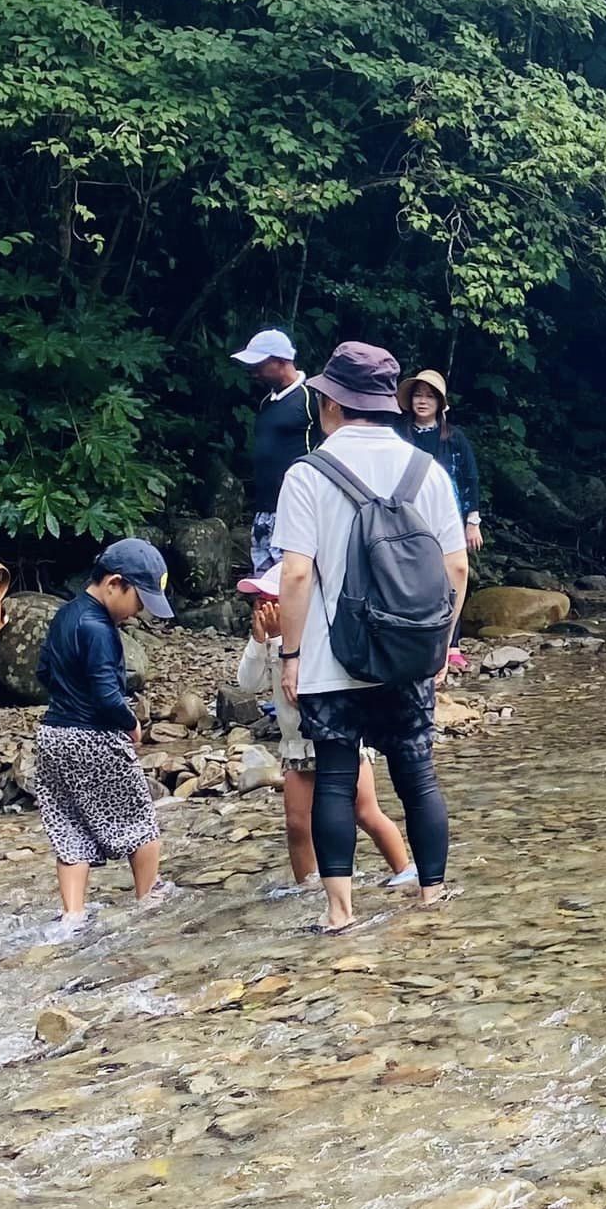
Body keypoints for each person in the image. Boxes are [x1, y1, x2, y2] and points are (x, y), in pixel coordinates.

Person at [274, 342, 469, 930]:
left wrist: (291, 654)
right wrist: (439, 644)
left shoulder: (307, 474)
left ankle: (339, 911)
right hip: (409, 651)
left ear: (330, 402)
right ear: (388, 404)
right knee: (416, 772)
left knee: (334, 776)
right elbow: (456, 567)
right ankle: (432, 895)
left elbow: (297, 573)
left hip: (335, 658)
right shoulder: (426, 470)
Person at [236, 565, 415, 891]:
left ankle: (405, 870)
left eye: (269, 600)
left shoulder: (314, 636)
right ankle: (309, 886)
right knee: (297, 824)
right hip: (297, 746)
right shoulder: (270, 642)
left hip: (337, 737)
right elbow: (247, 684)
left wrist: (278, 643)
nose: (261, 607)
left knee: (365, 812)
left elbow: (299, 695)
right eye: (257, 601)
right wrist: (258, 641)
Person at [34, 539, 178, 940]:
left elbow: (44, 672)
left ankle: (73, 916)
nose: (137, 613)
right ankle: (149, 896)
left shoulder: (65, 614)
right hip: (92, 737)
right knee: (138, 819)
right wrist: (128, 721)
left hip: (53, 735)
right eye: (138, 600)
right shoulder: (99, 629)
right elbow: (104, 691)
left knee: (69, 827)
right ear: (115, 583)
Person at [397, 369, 482, 672]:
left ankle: (453, 644)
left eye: (429, 396)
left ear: (440, 402)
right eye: (418, 395)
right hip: (405, 518)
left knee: (451, 579)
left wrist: (473, 521)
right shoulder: (398, 433)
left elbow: (470, 478)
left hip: (447, 517)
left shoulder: (454, 438)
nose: (422, 401)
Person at [234, 328, 314, 574]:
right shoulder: (266, 402)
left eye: (259, 364)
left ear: (281, 362)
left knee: (290, 578)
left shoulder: (310, 398)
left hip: (295, 510)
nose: (254, 372)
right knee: (262, 582)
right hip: (265, 509)